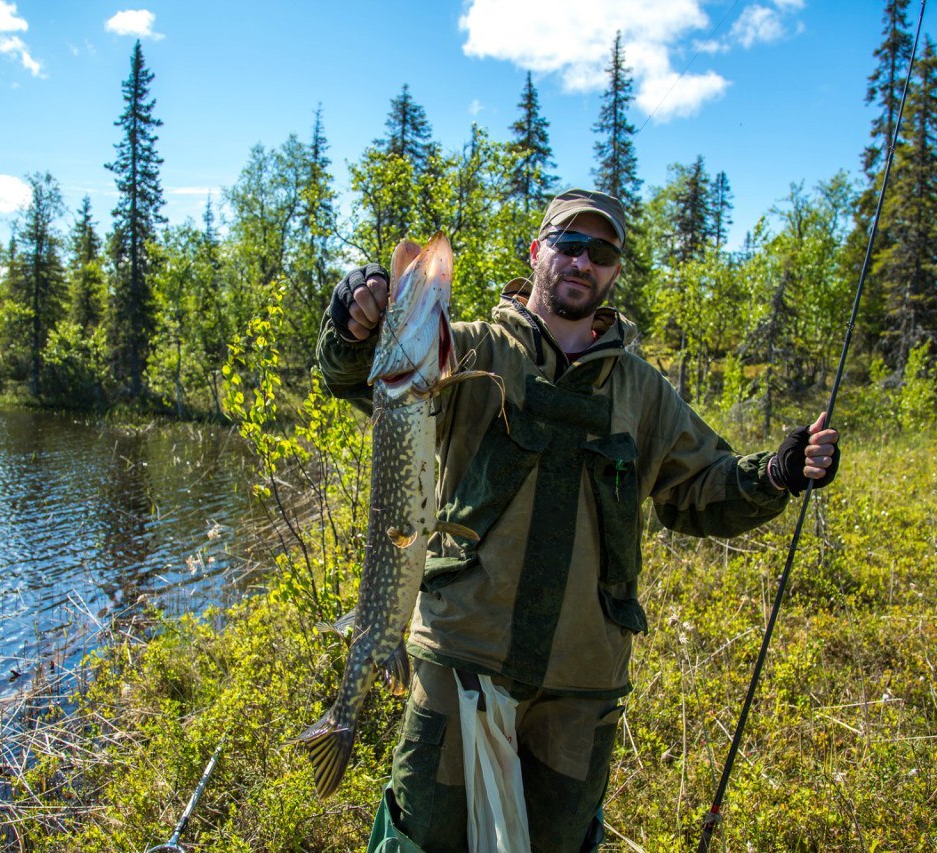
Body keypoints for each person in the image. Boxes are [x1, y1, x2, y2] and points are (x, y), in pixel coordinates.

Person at [316, 189, 840, 853]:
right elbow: (367, 374)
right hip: (461, 662)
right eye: (568, 243)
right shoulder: (473, 351)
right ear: (536, 252)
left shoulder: (641, 391)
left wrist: (775, 474)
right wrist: (353, 318)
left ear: (615, 270)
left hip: (580, 686)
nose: (582, 260)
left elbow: (701, 490)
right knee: (425, 841)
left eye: (602, 251)